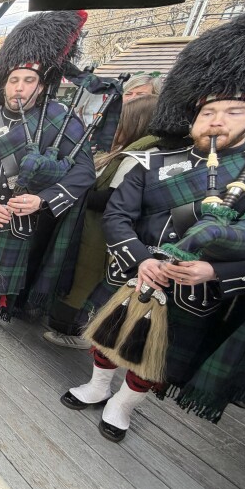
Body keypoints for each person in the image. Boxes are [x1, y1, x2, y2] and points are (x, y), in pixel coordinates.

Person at [62, 7, 245, 441]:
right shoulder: (152, 161)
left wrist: (214, 270)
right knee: (107, 337)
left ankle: (122, 405)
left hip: (196, 291)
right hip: (134, 271)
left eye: (234, 110)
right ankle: (98, 388)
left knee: (153, 360)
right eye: (208, 109)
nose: (216, 119)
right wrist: (139, 260)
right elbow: (118, 214)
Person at [0, 11, 96, 350]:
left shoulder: (61, 120)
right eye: (14, 80)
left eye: (29, 80)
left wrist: (42, 200)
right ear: (4, 82)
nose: (20, 87)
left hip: (19, 220)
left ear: (42, 86)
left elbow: (85, 171)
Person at [44, 95, 160, 348]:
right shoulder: (124, 150)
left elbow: (112, 198)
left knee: (85, 276)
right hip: (89, 224)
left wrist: (71, 192)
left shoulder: (140, 156)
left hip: (101, 231)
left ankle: (74, 330)